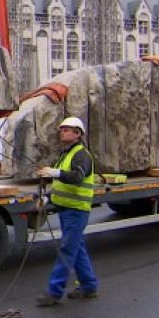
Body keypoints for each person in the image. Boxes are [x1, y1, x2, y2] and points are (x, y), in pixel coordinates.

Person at [35, 116, 98, 306]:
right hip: (67, 209)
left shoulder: (81, 155)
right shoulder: (66, 154)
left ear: (77, 134)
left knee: (67, 250)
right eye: (61, 130)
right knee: (76, 249)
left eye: (66, 130)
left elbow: (77, 177)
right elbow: (61, 184)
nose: (62, 132)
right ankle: (89, 287)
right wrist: (47, 198)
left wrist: (55, 172)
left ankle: (54, 292)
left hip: (76, 211)